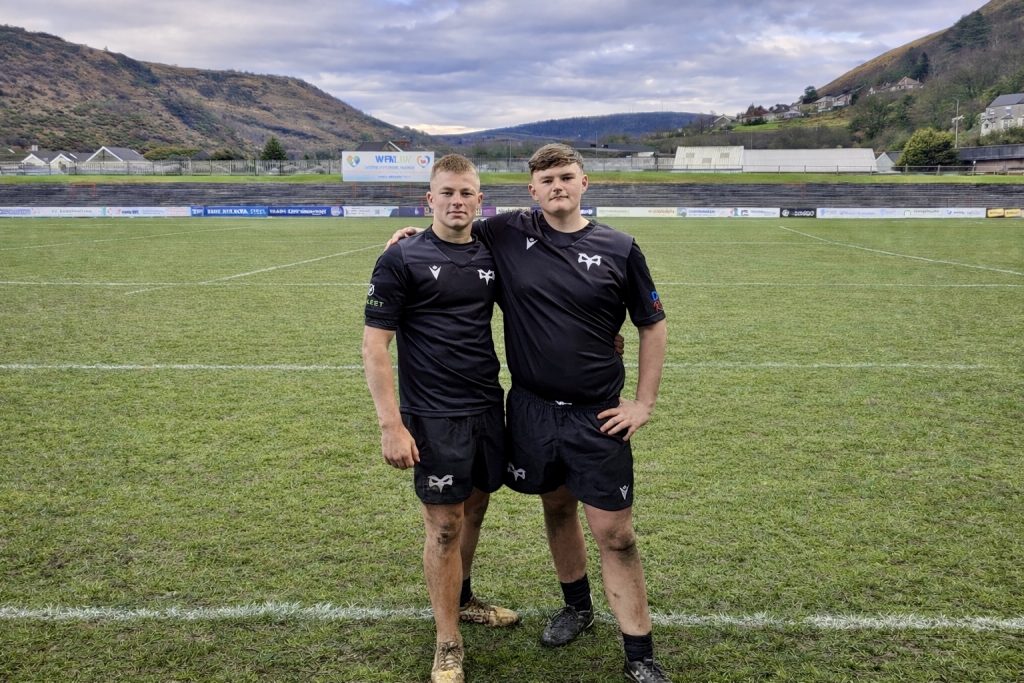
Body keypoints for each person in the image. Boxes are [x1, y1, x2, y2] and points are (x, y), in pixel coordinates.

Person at [391, 144, 671, 682]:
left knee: (617, 534)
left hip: (598, 414)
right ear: (532, 191)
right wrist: (408, 237)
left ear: (584, 183)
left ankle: (640, 656)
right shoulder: (506, 232)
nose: (557, 186)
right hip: (530, 410)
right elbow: (448, 231)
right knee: (557, 507)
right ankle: (577, 607)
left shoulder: (620, 247)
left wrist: (643, 402)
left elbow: (651, 324)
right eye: (547, 180)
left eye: (566, 177)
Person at [363, 153, 519, 683]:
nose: (457, 201)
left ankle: (465, 598)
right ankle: (447, 641)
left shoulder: (493, 252)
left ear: (480, 200)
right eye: (447, 192)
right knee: (445, 526)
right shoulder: (401, 258)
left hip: (487, 405)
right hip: (431, 414)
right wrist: (391, 424)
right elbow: (374, 347)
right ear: (428, 199)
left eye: (466, 192)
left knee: (475, 506)